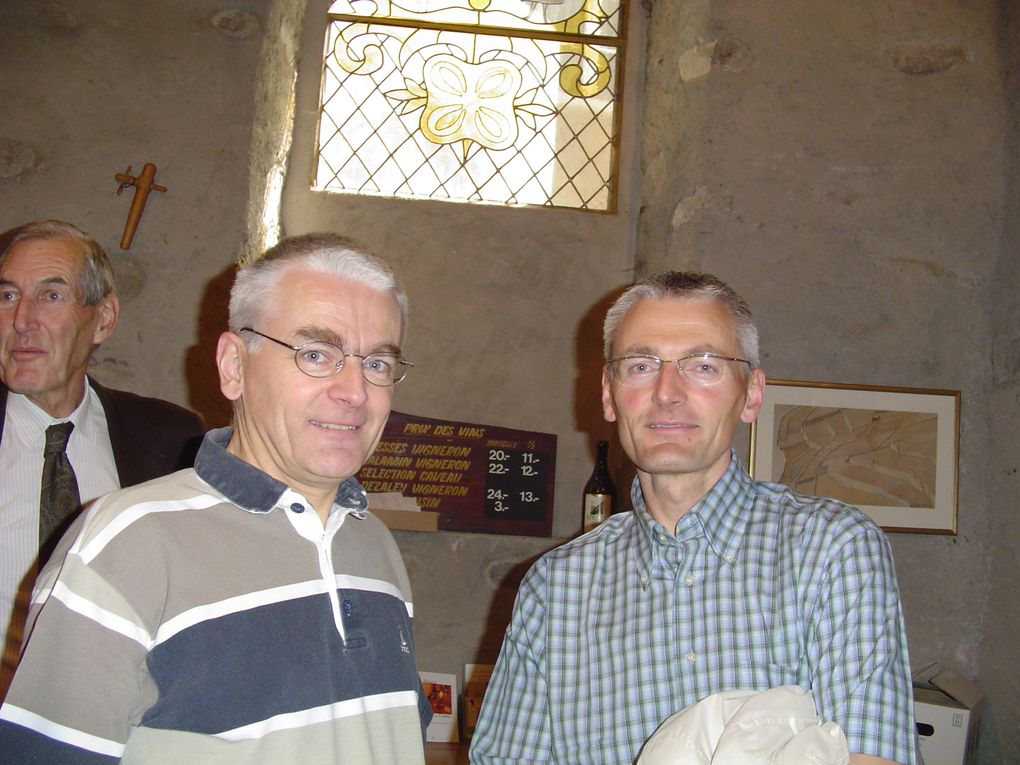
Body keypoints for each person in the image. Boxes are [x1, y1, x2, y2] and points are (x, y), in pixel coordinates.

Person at [0, 233, 431, 763]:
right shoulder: (125, 543)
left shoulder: (375, 544)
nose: (355, 391)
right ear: (233, 366)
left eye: (378, 364)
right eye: (317, 354)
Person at [471, 271, 917, 765]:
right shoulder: (555, 587)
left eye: (703, 366)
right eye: (640, 365)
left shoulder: (833, 550)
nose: (667, 391)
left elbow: (871, 754)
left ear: (752, 394)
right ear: (609, 394)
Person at [0, 220, 204, 700]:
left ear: (104, 319)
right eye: (7, 296)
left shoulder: (172, 440)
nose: (22, 320)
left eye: (51, 296)